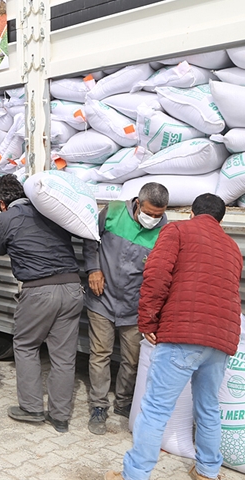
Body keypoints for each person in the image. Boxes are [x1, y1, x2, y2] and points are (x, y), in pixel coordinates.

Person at [105, 193, 243, 480]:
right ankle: (207, 471)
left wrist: (148, 322)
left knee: (155, 409)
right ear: (220, 219)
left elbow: (155, 276)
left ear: (192, 213)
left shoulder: (178, 230)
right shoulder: (232, 247)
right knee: (208, 409)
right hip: (221, 340)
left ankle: (134, 475)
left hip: (183, 334)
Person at [0, 174, 84, 434]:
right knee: (64, 355)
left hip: (40, 291)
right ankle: (60, 417)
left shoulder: (6, 218)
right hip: (73, 287)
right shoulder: (50, 211)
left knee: (26, 345)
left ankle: (31, 409)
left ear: (0, 202)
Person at [83, 183, 169, 435]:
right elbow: (90, 240)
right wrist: (93, 268)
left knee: (132, 360)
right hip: (102, 299)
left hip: (135, 307)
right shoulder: (112, 212)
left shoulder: (166, 231)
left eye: (159, 215)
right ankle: (99, 407)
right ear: (138, 203)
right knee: (100, 354)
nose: (153, 219)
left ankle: (123, 402)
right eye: (150, 213)